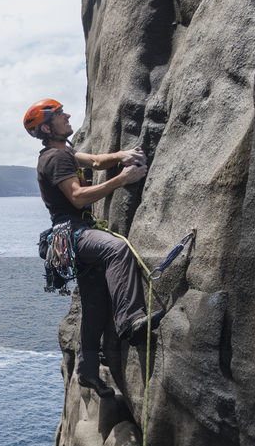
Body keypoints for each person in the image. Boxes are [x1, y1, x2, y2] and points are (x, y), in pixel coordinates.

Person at [24, 98, 162, 397]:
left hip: (72, 237)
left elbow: (97, 161)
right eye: (60, 114)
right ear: (47, 127)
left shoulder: (65, 154)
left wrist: (122, 155)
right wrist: (124, 177)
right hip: (72, 233)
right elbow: (78, 198)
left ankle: (87, 370)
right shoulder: (56, 159)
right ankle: (131, 321)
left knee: (95, 302)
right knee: (117, 250)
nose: (68, 115)